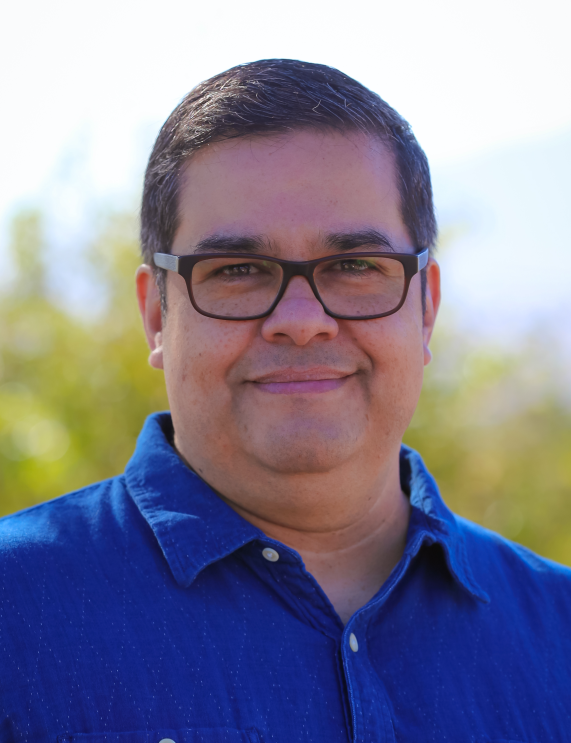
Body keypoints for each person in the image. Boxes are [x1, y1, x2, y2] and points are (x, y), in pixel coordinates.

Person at [1, 59, 570, 743]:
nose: (300, 319)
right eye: (238, 270)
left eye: (355, 265)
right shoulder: (16, 612)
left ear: (426, 307)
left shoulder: (557, 629)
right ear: (157, 316)